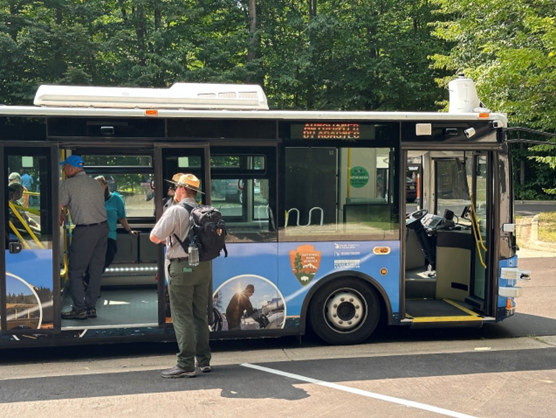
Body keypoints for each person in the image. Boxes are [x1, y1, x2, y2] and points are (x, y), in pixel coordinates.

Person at [150, 173, 212, 378]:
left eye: (176, 187)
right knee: (199, 314)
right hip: (203, 268)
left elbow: (154, 236)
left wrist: (167, 240)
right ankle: (203, 361)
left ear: (183, 189)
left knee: (182, 315)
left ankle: (185, 364)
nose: (174, 190)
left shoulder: (175, 211)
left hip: (182, 268)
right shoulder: (203, 210)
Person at [59, 155, 108, 320]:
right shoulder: (95, 183)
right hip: (102, 228)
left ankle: (79, 309)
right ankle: (90, 307)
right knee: (95, 270)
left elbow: (58, 205)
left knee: (75, 271)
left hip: (85, 231)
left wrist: (60, 212)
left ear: (72, 169)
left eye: (64, 167)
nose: (63, 170)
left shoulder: (69, 184)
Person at [83, 176, 139, 288]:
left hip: (109, 235)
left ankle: (88, 281)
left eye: (99, 186)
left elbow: (122, 217)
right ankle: (93, 287)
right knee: (93, 261)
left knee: (108, 256)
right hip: (92, 235)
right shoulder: (90, 199)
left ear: (105, 186)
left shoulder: (116, 199)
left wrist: (129, 231)